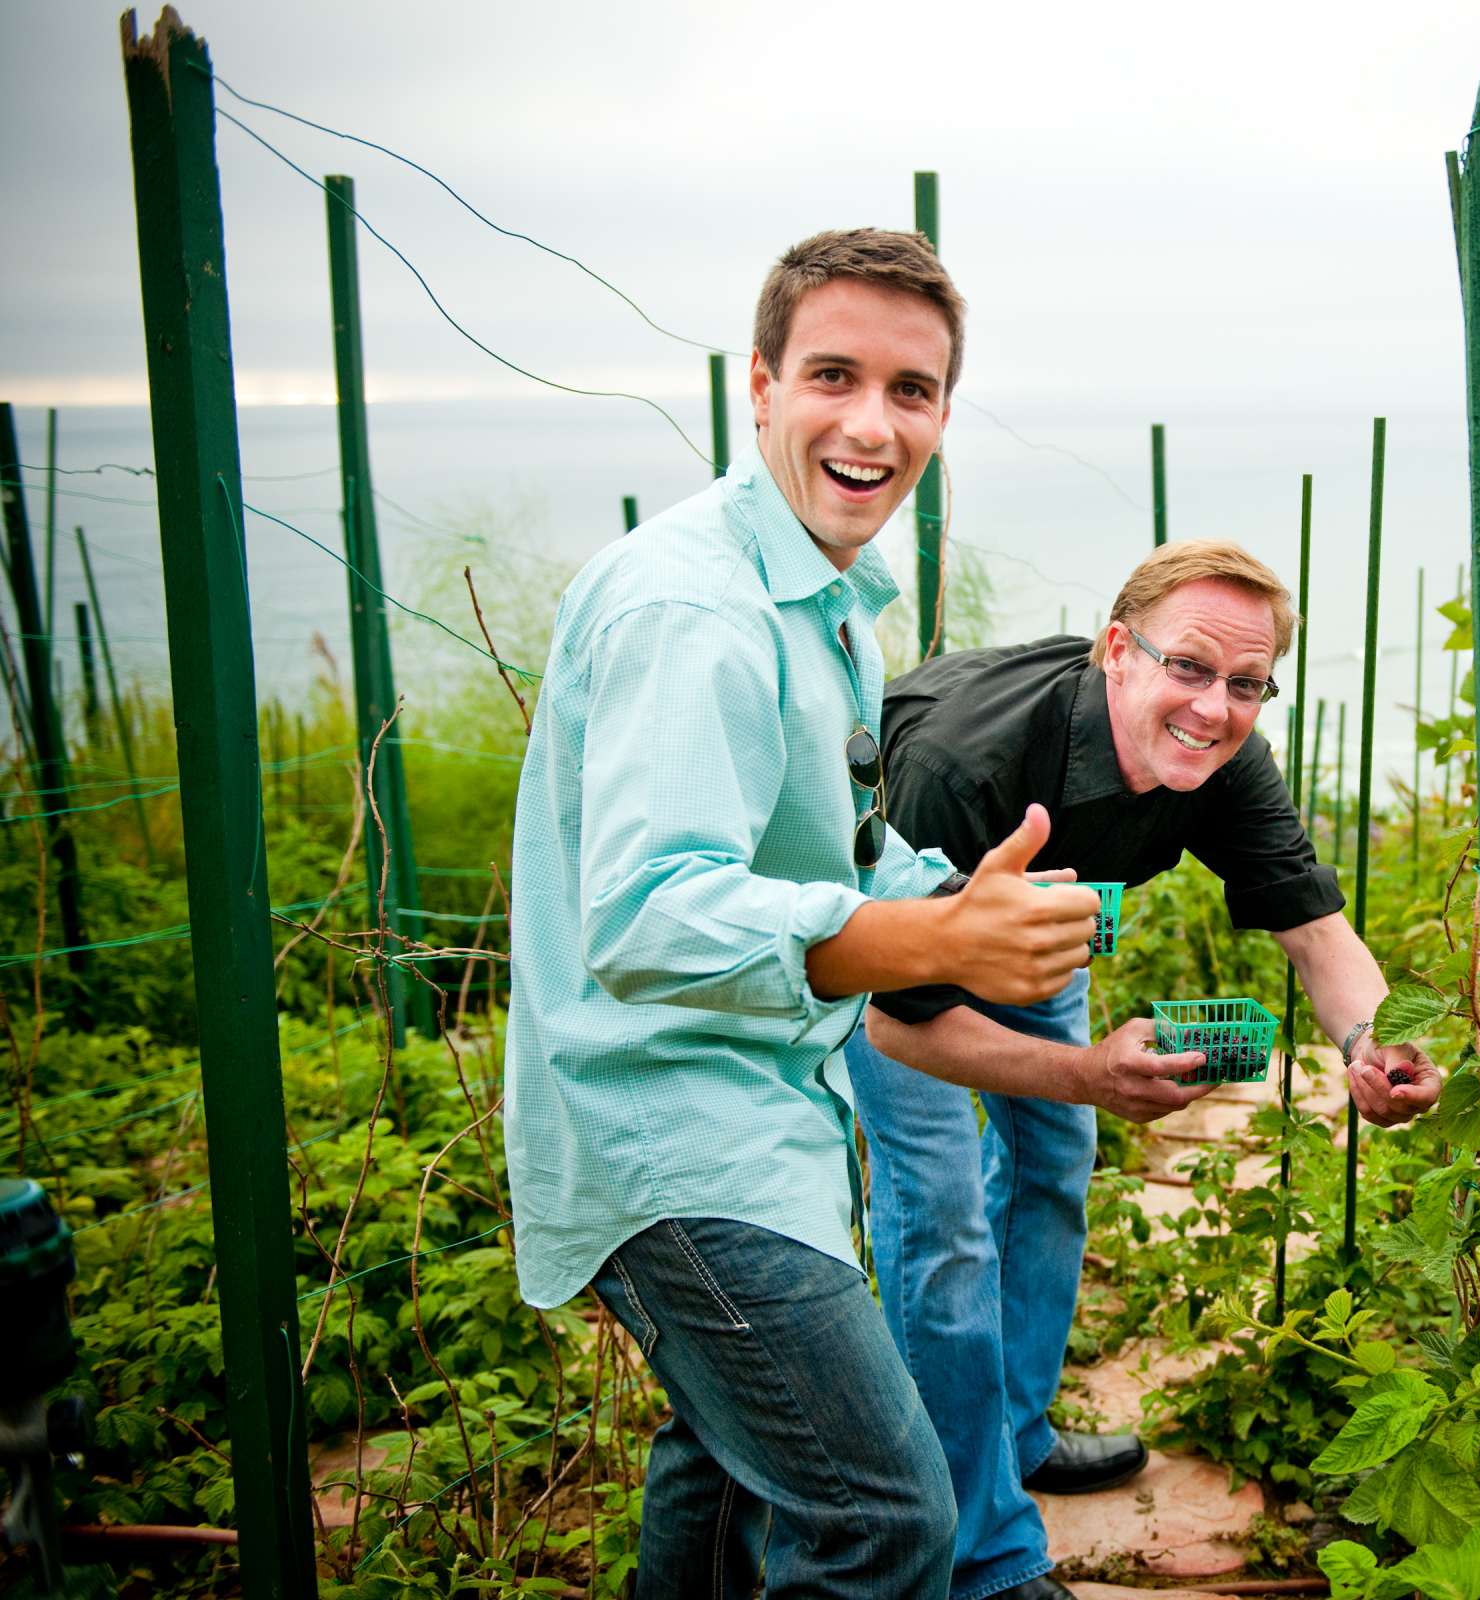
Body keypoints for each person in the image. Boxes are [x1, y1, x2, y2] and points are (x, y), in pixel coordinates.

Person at [503, 229, 1200, 1599]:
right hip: (673, 1146)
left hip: (757, 1120)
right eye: (835, 375)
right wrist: (938, 942)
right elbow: (647, 917)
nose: (874, 424)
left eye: (915, 390)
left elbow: (828, 845)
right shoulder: (694, 608)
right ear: (758, 385)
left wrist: (944, 896)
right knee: (885, 1517)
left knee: (721, 1479)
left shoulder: (821, 605)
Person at [847, 540, 1446, 1600]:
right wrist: (1085, 1068)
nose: (1216, 708)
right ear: (1117, 650)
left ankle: (1017, 1430)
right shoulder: (960, 765)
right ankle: (975, 1551)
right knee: (938, 1215)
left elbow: (1317, 931)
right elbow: (897, 1026)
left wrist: (1371, 1044)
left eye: (1247, 684)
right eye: (1189, 668)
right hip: (907, 916)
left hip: (1051, 909)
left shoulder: (1224, 755)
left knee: (1052, 1156)